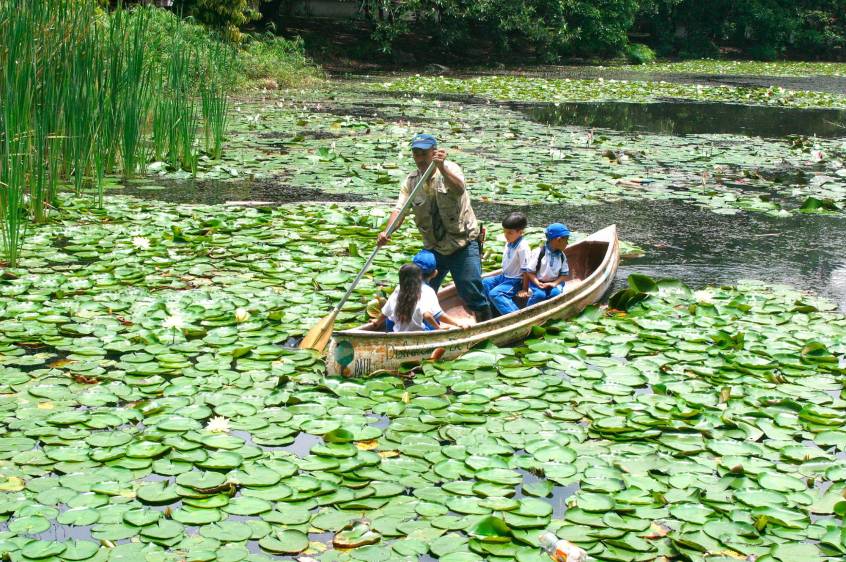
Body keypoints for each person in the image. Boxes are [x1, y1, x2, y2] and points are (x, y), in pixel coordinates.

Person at [377, 133, 493, 322]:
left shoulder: (449, 169)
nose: (420, 159)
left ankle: (486, 324)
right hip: (434, 247)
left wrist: (442, 169)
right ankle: (422, 327)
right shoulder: (411, 182)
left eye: (424, 153)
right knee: (417, 287)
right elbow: (400, 210)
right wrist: (386, 233)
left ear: (434, 152)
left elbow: (459, 189)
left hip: (462, 243)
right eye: (416, 154)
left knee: (469, 287)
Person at [379, 251, 470, 332]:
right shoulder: (428, 291)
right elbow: (430, 315)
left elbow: (385, 312)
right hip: (418, 332)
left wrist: (376, 322)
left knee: (390, 318)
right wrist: (455, 324)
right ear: (435, 273)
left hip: (397, 330)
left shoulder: (400, 287)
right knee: (434, 318)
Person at [482, 212, 530, 316]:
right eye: (504, 231)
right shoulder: (509, 242)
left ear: (520, 232)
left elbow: (527, 270)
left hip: (515, 281)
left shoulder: (522, 247)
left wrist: (524, 289)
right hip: (504, 276)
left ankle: (517, 318)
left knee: (495, 294)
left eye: (510, 233)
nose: (506, 235)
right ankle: (494, 314)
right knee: (485, 283)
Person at [524, 223, 571, 307]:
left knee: (555, 294)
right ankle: (528, 312)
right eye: (566, 240)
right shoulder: (539, 252)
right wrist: (537, 283)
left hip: (555, 283)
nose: (567, 243)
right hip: (538, 283)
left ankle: (551, 311)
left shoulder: (562, 256)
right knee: (539, 295)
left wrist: (554, 283)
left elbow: (564, 274)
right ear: (559, 239)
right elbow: (530, 272)